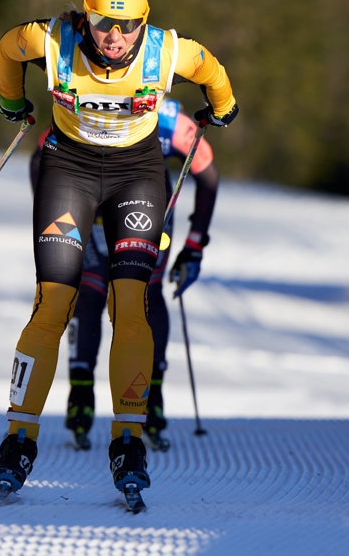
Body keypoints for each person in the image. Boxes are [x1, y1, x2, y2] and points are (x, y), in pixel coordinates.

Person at [0, 0, 237, 507]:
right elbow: (7, 46)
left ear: (144, 21)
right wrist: (10, 99)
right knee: (53, 304)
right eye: (103, 23)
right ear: (85, 14)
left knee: (130, 303)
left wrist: (223, 106)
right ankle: (17, 441)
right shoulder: (53, 39)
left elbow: (214, 71)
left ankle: (128, 440)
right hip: (69, 171)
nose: (116, 37)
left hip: (136, 176)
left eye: (128, 25)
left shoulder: (166, 50)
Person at [29, 98, 219, 452]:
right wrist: (52, 215)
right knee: (88, 293)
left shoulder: (170, 120)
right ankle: (81, 393)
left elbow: (208, 174)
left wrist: (194, 245)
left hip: (147, 218)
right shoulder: (91, 98)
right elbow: (41, 155)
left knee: (145, 295)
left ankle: (152, 395)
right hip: (94, 218)